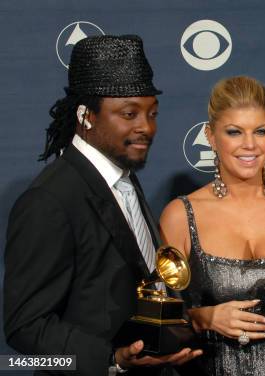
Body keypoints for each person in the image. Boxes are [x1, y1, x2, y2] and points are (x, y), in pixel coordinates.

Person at [3, 35, 202, 375]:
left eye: (152, 113)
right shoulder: (50, 200)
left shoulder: (122, 175)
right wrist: (111, 360)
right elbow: (24, 326)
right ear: (86, 115)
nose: (146, 128)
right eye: (129, 113)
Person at [159, 76, 265, 376]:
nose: (250, 145)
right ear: (211, 137)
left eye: (260, 132)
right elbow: (162, 318)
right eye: (234, 132)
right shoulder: (181, 216)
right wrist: (204, 318)